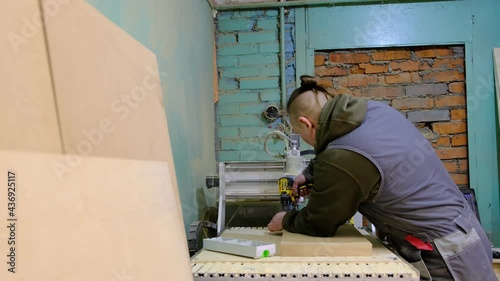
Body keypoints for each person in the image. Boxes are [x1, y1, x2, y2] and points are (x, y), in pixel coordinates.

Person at [267, 75, 496, 281]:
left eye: (300, 134)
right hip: (465, 230)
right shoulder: (373, 111)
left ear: (307, 124)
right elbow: (351, 150)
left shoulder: (340, 158)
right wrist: (309, 173)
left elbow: (319, 223)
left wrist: (286, 220)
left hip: (447, 253)